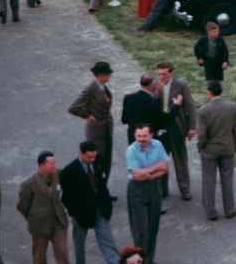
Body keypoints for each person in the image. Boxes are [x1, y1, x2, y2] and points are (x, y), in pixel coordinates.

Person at [59, 141, 118, 264]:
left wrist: (107, 204)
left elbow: (102, 185)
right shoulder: (69, 172)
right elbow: (66, 198)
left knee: (108, 243)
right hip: (81, 215)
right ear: (81, 153)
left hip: (101, 210)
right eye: (89, 157)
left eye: (94, 156)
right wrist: (74, 213)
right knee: (79, 245)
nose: (92, 159)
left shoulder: (98, 161)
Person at [196, 81, 236, 221]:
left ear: (209, 92)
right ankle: (230, 209)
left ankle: (211, 212)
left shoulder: (203, 111)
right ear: (221, 91)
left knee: (209, 180)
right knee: (227, 180)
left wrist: (200, 146)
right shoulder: (232, 107)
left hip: (210, 150)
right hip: (227, 148)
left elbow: (202, 135)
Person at [124, 125, 167, 264]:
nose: (141, 139)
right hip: (137, 190)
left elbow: (165, 168)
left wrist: (147, 174)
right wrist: (155, 169)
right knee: (140, 231)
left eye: (144, 136)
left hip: (154, 188)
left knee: (153, 228)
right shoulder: (131, 150)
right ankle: (139, 261)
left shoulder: (158, 145)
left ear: (151, 135)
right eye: (138, 136)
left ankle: (149, 260)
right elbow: (136, 176)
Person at [17, 151, 70, 264]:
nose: (55, 166)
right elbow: (22, 206)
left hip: (58, 223)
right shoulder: (29, 184)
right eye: (51, 163)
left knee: (63, 255)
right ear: (41, 165)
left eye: (55, 163)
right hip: (40, 226)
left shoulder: (59, 175)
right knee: (39, 257)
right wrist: (34, 217)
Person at [67, 62, 114, 183]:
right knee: (97, 161)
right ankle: (97, 192)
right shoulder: (91, 88)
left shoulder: (102, 86)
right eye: (108, 73)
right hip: (96, 131)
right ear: (100, 75)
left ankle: (104, 191)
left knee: (106, 160)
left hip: (106, 128)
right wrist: (87, 115)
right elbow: (73, 107)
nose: (110, 75)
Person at [154, 62, 195, 201]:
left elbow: (190, 107)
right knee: (161, 160)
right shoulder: (156, 86)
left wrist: (192, 128)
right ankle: (162, 190)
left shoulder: (181, 86)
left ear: (170, 73)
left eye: (164, 74)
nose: (161, 76)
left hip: (176, 127)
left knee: (180, 160)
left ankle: (185, 189)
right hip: (161, 128)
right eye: (159, 74)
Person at [120, 75, 160, 147]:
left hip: (133, 137)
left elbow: (124, 120)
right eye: (156, 85)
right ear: (152, 85)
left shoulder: (128, 98)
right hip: (148, 139)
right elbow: (160, 122)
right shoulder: (154, 101)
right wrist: (176, 105)